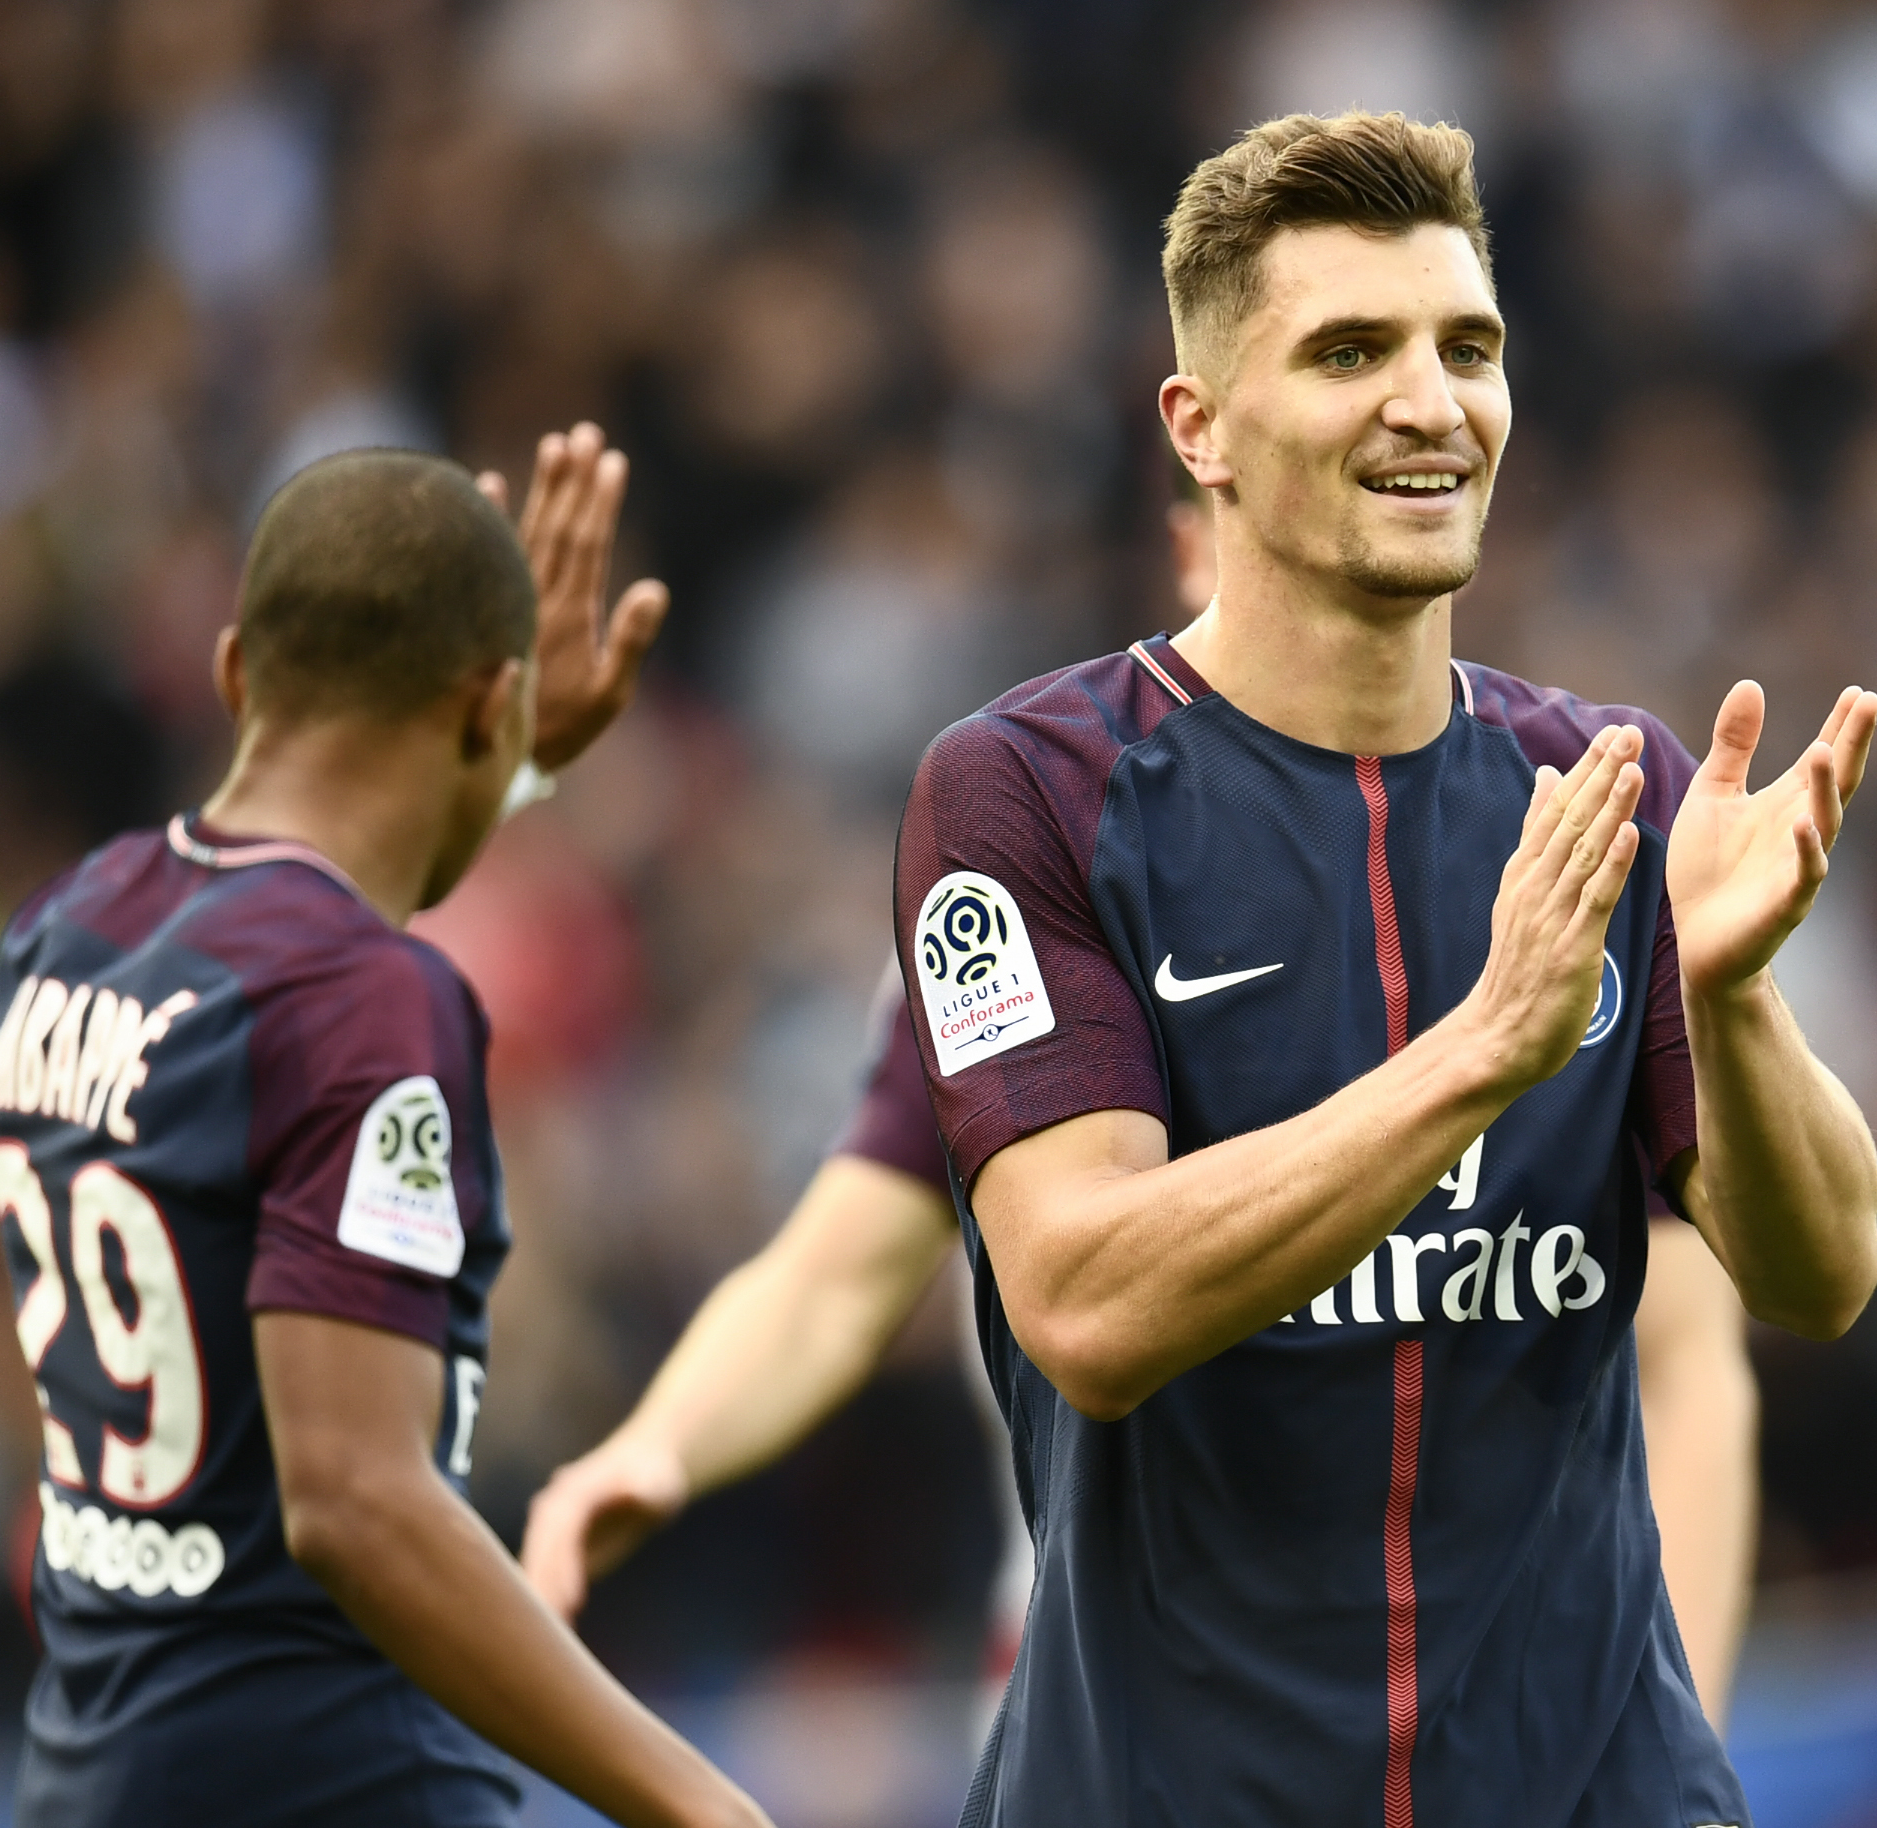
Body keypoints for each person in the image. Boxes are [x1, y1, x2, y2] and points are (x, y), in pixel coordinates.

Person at [898, 111, 1877, 1825]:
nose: (1429, 400)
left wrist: (1730, 1000)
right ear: (1196, 429)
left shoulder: (1612, 785)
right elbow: (1085, 1304)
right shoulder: (1026, 789)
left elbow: (1818, 1273)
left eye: (1466, 346)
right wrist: (1481, 1050)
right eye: (1349, 349)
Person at [521, 487, 1763, 1728]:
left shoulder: (1541, 855)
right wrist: (661, 1442)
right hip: (1133, 1703)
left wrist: (1678, 1739)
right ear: (1192, 527)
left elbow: (1691, 1359)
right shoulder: (1045, 898)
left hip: (1505, 1703)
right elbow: (837, 1270)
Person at [0, 430, 772, 1828]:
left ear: (236, 673)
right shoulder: (368, 998)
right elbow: (355, 1501)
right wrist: (706, 1806)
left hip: (91, 1766)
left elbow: (282, 979)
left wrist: (501, 764)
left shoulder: (71, 925)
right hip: (321, 1775)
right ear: (489, 704)